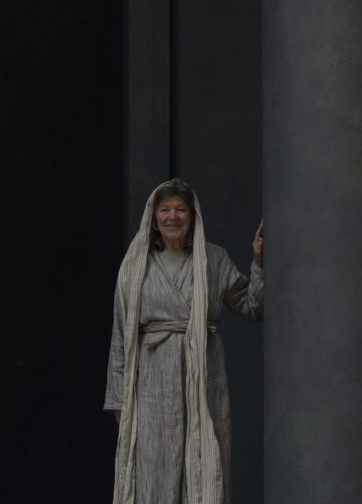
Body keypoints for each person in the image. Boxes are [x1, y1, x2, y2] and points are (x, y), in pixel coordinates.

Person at [104, 178, 264, 504]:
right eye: (165, 210)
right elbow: (121, 335)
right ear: (154, 217)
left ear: (193, 217)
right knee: (152, 473)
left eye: (181, 210)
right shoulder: (135, 265)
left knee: (204, 468)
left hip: (204, 384)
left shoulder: (213, 259)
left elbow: (252, 307)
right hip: (151, 389)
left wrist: (258, 263)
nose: (173, 217)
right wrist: (119, 400)